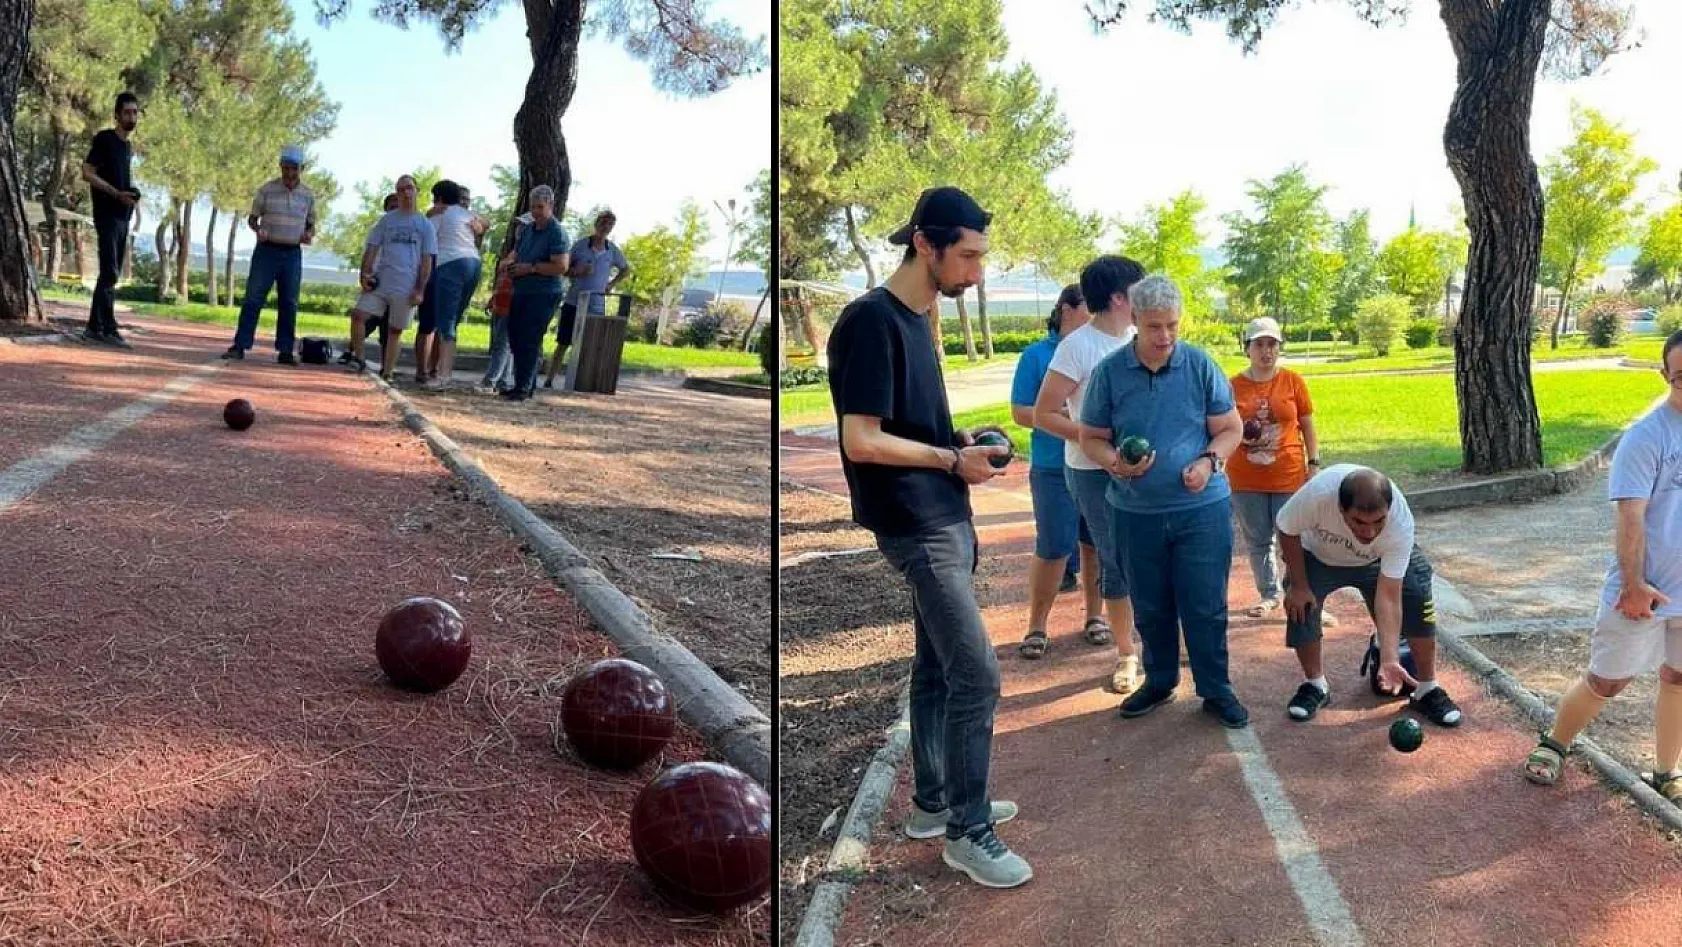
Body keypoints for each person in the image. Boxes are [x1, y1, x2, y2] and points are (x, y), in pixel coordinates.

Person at [829, 185, 1028, 889]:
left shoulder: (919, 318)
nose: (976, 271)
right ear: (925, 243)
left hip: (944, 513)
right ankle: (968, 833)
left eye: (980, 256)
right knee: (978, 673)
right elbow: (859, 439)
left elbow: (903, 426)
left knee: (938, 668)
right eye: (968, 255)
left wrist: (956, 440)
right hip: (917, 525)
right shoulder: (871, 321)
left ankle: (935, 802)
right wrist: (947, 459)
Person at [1079, 274, 1249, 729]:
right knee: (1151, 604)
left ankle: (1216, 688)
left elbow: (1230, 428)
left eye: (1173, 325)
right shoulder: (1110, 373)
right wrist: (1116, 463)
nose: (1166, 336)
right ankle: (1160, 680)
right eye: (1155, 326)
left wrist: (1209, 462)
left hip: (1202, 511)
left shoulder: (1199, 365)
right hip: (1135, 513)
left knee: (1205, 604)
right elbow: (1091, 438)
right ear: (1134, 320)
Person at [1522, 330, 1682, 804]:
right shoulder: (1647, 436)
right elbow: (1630, 516)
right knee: (1608, 680)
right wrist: (1633, 585)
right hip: (1646, 588)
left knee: (1679, 678)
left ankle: (1666, 772)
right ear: (1665, 375)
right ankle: (1556, 742)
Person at [1033, 256, 1147, 695]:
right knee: (1115, 557)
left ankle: (1157, 640)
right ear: (1119, 297)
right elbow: (1044, 413)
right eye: (1139, 288)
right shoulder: (1077, 347)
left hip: (1143, 469)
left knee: (1151, 553)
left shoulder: (1142, 338)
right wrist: (1094, 438)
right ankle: (1126, 653)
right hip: (1093, 473)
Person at [1274, 465, 1462, 726]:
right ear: (1341, 509)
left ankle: (1426, 688)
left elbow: (1389, 595)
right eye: (1359, 522)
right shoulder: (1318, 495)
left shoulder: (1399, 521)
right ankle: (1315, 685)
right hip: (1318, 555)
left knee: (1416, 594)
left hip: (1376, 560)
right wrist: (1298, 585)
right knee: (1300, 603)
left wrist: (1390, 659)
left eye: (1378, 522)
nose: (1370, 532)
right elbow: (1286, 527)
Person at [1010, 284, 1106, 663]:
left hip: (1095, 466)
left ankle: (1096, 617)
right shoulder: (1036, 356)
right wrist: (1067, 419)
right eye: (1088, 307)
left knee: (1095, 545)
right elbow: (1021, 412)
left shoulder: (1100, 347)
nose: (1095, 315)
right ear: (1066, 309)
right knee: (1053, 547)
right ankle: (1037, 625)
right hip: (1052, 467)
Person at [1229, 317, 1321, 618]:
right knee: (1258, 540)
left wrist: (1313, 463)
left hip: (1288, 474)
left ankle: (1300, 591)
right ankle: (1269, 594)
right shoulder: (1232, 386)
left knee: (1294, 538)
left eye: (1272, 344)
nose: (1266, 351)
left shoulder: (1292, 380)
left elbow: (1306, 422)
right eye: (1259, 344)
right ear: (1247, 349)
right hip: (1246, 478)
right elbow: (1223, 426)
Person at [223, 146, 318, 363]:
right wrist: (259, 230)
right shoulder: (266, 190)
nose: (289, 173)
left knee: (289, 301)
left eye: (293, 168)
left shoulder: (308, 195)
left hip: (292, 252)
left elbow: (312, 223)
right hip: (267, 251)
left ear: (301, 169)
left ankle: (285, 350)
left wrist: (308, 234)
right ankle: (240, 345)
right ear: (280, 167)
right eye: (285, 168)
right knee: (253, 298)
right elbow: (252, 218)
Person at [353, 175, 436, 381]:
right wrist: (364, 274)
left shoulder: (425, 225)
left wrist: (420, 289)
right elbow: (372, 248)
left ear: (416, 191)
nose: (406, 193)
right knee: (358, 315)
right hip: (381, 281)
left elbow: (427, 261)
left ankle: (388, 371)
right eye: (401, 190)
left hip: (406, 285)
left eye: (409, 188)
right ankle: (360, 360)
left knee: (394, 330)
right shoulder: (386, 221)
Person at [80, 91, 142, 348]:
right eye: (127, 112)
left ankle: (95, 326)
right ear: (117, 115)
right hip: (106, 214)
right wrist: (116, 194)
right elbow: (87, 172)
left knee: (111, 273)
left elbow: (120, 181)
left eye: (135, 112)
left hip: (122, 216)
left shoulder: (126, 147)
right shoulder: (105, 139)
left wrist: (131, 196)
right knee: (110, 271)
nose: (132, 116)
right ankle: (107, 327)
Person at [543, 209, 631, 389]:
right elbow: (564, 269)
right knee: (563, 343)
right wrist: (577, 271)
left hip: (596, 305)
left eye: (609, 224)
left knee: (591, 345)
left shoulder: (612, 250)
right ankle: (549, 379)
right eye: (602, 223)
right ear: (596, 224)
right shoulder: (580, 245)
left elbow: (625, 269)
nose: (605, 227)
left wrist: (611, 285)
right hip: (574, 301)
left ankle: (582, 381)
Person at [499, 185, 571, 401]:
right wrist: (509, 262)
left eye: (540, 207)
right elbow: (516, 253)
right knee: (515, 336)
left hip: (543, 293)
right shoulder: (528, 229)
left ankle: (523, 388)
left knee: (529, 338)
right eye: (533, 207)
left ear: (550, 205)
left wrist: (530, 268)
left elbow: (561, 266)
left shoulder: (556, 232)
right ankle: (522, 383)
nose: (536, 212)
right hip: (521, 290)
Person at [414, 179, 487, 388]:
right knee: (453, 320)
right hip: (474, 264)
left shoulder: (438, 217)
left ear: (438, 199)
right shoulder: (466, 214)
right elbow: (485, 222)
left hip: (451, 265)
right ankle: (441, 372)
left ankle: (443, 377)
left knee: (445, 321)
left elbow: (425, 247)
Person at [341, 193, 399, 369]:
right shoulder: (379, 228)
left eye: (398, 205)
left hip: (397, 283)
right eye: (391, 206)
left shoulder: (411, 229)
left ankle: (386, 368)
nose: (395, 209)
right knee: (362, 317)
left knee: (389, 328)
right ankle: (356, 355)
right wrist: (365, 275)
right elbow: (370, 252)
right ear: (386, 209)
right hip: (377, 281)